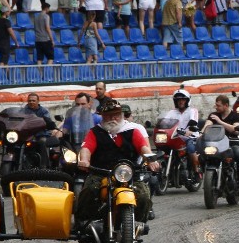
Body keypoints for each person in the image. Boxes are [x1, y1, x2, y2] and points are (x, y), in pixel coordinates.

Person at [75, 100, 159, 228]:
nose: (113, 118)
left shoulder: (133, 131)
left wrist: (151, 160)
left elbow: (144, 148)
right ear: (102, 116)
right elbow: (86, 148)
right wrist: (85, 160)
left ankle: (138, 223)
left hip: (129, 175)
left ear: (122, 115)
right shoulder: (95, 132)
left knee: (143, 195)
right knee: (90, 190)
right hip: (101, 174)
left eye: (116, 114)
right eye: (108, 115)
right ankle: (83, 222)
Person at [202, 94, 239, 187]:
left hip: (232, 142)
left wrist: (220, 122)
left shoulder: (235, 116)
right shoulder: (213, 115)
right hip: (216, 143)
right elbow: (207, 125)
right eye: (216, 105)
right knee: (201, 154)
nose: (216, 107)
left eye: (218, 105)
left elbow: (235, 130)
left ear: (226, 105)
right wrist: (201, 134)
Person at [162, 89, 201, 181]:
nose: (180, 101)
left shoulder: (192, 111)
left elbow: (193, 121)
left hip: (190, 137)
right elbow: (164, 122)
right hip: (175, 137)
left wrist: (190, 129)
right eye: (178, 100)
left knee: (191, 148)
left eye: (183, 99)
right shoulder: (172, 112)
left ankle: (196, 172)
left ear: (187, 100)